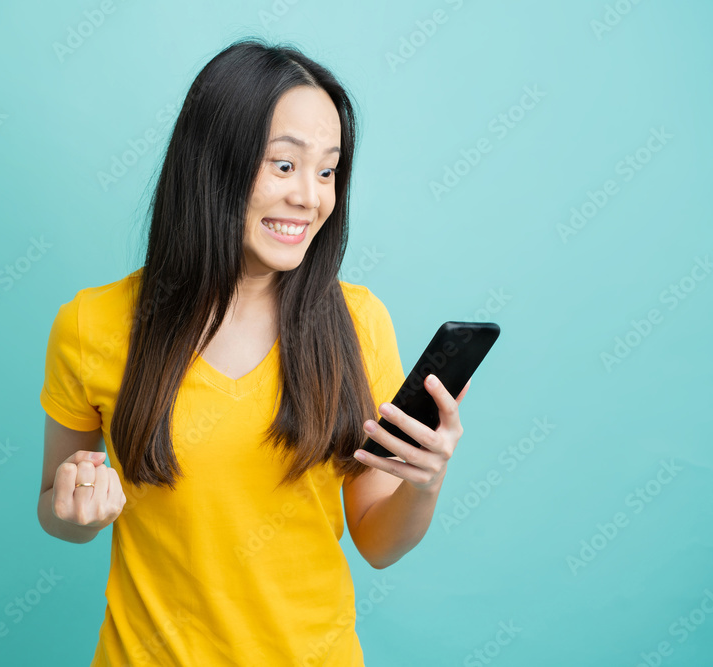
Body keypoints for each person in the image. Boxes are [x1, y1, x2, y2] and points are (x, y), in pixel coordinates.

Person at [37, 38, 470, 666]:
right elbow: (56, 503)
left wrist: (425, 482)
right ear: (212, 163)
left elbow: (377, 540)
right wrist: (74, 510)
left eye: (328, 170)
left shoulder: (359, 324)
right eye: (284, 165)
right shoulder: (92, 324)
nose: (310, 197)